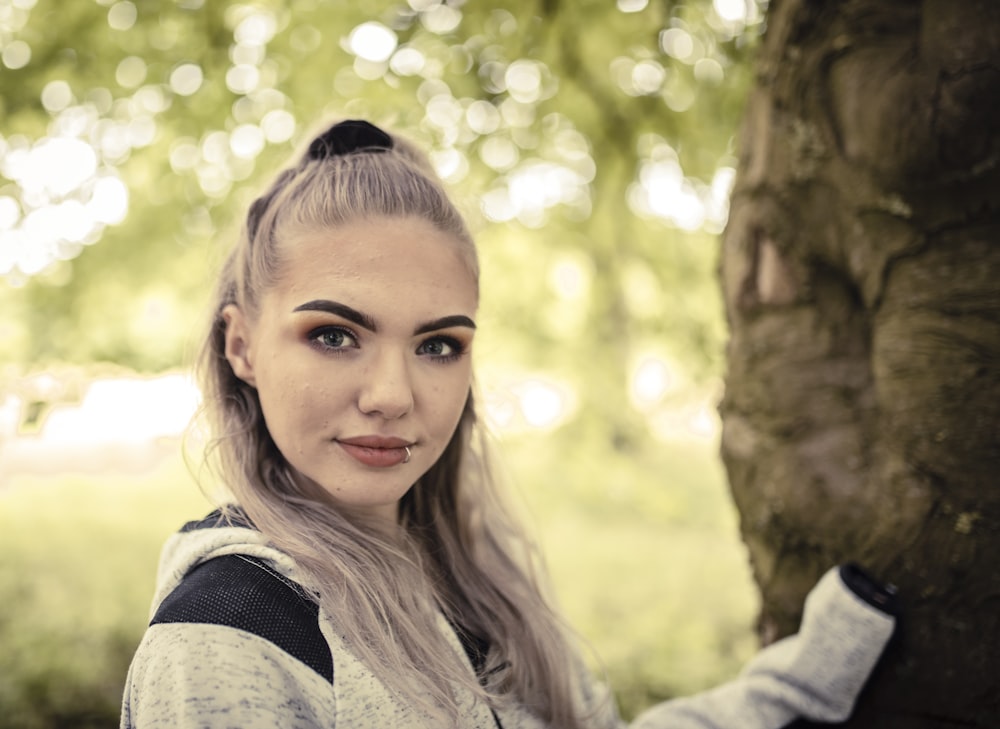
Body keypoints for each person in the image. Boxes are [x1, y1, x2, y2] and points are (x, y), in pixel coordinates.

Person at [120, 119, 899, 729]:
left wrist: (805, 679)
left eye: (437, 344)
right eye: (334, 334)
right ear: (241, 345)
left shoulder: (477, 588)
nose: (393, 394)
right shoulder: (227, 636)